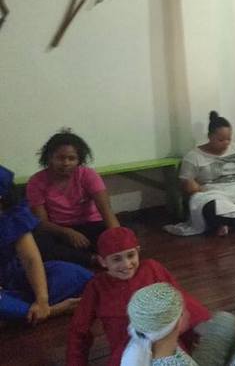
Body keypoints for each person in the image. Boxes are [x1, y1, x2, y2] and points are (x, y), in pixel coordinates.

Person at [67, 227, 211, 366]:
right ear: (103, 261)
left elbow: (179, 302)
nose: (126, 264)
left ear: (138, 251)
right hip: (125, 352)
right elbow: (79, 329)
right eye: (116, 259)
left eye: (130, 255)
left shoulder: (152, 268)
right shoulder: (97, 286)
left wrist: (202, 331)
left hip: (164, 344)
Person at [0, 165, 91, 324]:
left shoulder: (12, 214)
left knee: (70, 273)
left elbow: (30, 259)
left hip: (13, 275)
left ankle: (31, 309)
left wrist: (42, 300)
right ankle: (54, 310)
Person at [164, 111, 235, 237]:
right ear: (210, 137)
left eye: (228, 139)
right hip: (213, 193)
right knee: (211, 208)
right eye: (221, 140)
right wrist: (193, 186)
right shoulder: (193, 156)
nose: (226, 143)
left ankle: (232, 222)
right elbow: (186, 184)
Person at [27, 129, 120, 268]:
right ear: (49, 158)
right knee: (38, 244)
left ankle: (98, 256)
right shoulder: (36, 181)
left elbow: (107, 212)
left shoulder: (88, 175)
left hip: (91, 225)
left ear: (79, 160)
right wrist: (67, 233)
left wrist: (120, 243)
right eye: (60, 158)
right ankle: (93, 259)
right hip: (58, 229)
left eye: (71, 158)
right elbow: (41, 223)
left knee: (121, 233)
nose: (66, 163)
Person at [121, 283, 235, 366]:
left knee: (224, 319)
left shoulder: (141, 344)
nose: (188, 313)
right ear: (175, 324)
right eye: (183, 311)